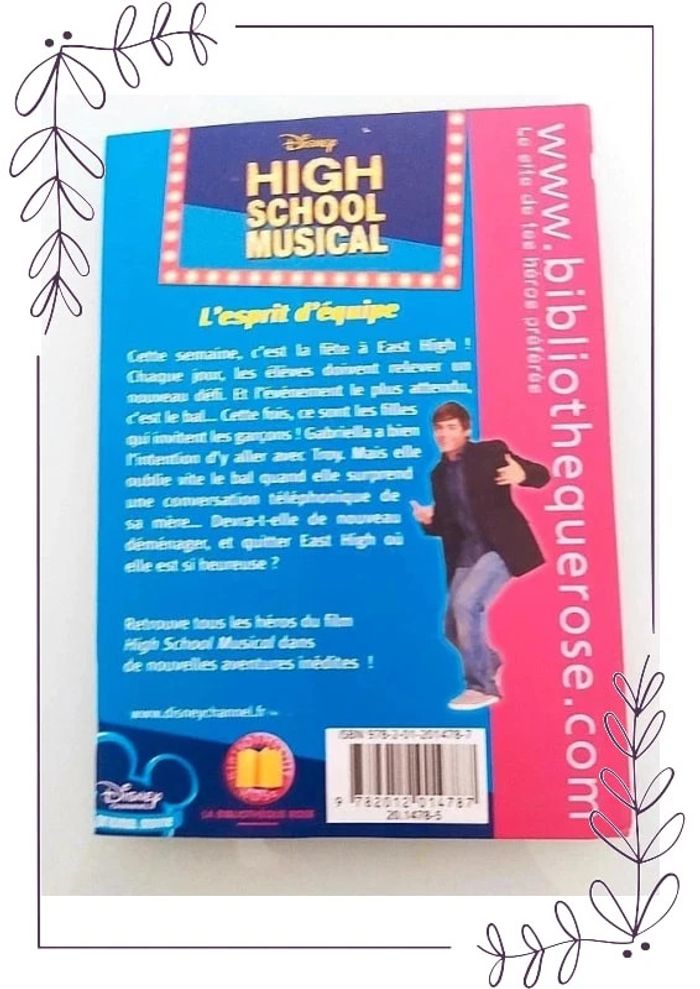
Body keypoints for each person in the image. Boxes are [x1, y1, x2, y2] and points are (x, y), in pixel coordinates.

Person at [411, 401, 550, 710]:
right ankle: (489, 661)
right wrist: (429, 521)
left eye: (451, 427)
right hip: (467, 553)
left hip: (501, 547)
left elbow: (542, 475)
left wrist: (523, 473)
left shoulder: (490, 453)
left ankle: (482, 686)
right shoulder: (438, 474)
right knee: (451, 627)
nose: (444, 434)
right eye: (439, 428)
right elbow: (448, 525)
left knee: (466, 604)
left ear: (466, 430)